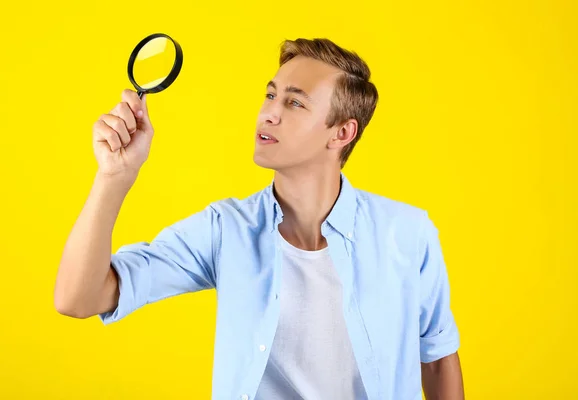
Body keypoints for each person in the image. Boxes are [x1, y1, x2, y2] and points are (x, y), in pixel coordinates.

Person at [54, 38, 464, 400]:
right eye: (270, 95)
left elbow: (438, 361)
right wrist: (114, 176)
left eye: (294, 102)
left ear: (341, 133)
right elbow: (77, 299)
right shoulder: (225, 230)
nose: (268, 113)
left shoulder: (408, 233)